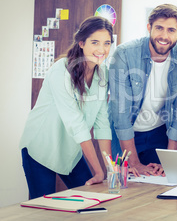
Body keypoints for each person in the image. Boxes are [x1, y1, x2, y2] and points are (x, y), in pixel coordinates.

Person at [20, 16, 114, 199]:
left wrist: (110, 171)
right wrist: (98, 172)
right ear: (81, 43)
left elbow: (102, 124)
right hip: (41, 149)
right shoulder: (61, 70)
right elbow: (76, 124)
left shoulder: (103, 74)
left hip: (70, 152)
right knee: (42, 210)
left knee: (92, 200)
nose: (102, 49)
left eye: (107, 43)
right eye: (95, 42)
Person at [108, 4, 177, 177]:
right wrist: (134, 162)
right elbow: (120, 113)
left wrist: (171, 162)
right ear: (149, 27)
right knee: (123, 185)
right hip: (123, 134)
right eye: (159, 28)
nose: (164, 36)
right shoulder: (124, 54)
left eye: (171, 30)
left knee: (160, 182)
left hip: (159, 132)